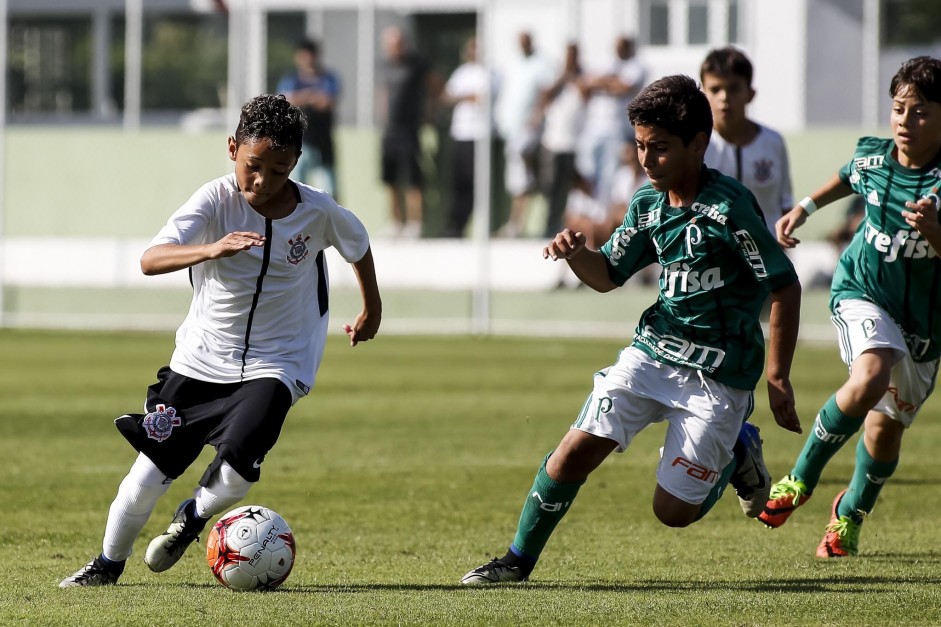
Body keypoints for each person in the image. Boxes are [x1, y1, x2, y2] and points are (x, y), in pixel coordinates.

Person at [460, 75, 802, 585]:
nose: (645, 160)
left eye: (659, 149)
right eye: (640, 146)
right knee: (573, 450)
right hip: (652, 353)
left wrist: (776, 378)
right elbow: (607, 277)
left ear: (697, 145)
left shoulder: (729, 210)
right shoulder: (647, 204)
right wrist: (577, 257)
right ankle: (516, 561)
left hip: (717, 374)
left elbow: (784, 286)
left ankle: (738, 454)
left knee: (673, 512)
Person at [59, 94, 382, 588]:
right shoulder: (213, 200)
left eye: (279, 170)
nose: (263, 182)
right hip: (200, 361)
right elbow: (151, 259)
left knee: (237, 473)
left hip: (278, 364)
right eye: (254, 166)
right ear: (233, 149)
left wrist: (371, 309)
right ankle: (106, 566)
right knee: (143, 481)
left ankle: (192, 517)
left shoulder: (317, 211)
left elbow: (357, 246)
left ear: (295, 163)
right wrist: (213, 247)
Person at [759, 56, 941, 558]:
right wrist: (803, 209)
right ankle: (800, 477)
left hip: (926, 325)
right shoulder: (875, 159)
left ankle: (850, 514)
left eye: (921, 111)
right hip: (863, 291)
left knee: (884, 434)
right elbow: (845, 176)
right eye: (900, 109)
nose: (906, 121)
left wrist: (934, 234)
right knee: (868, 376)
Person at [700, 47, 793, 232]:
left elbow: (786, 204)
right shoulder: (697, 147)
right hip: (713, 256)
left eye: (733, 88)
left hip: (766, 255)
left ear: (750, 93)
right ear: (703, 95)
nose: (724, 98)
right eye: (715, 89)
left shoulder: (773, 142)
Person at [494, 31, 554, 238]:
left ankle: (517, 223)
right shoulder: (514, 64)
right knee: (517, 177)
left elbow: (546, 92)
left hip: (529, 130)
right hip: (511, 130)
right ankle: (516, 223)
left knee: (523, 173)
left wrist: (536, 117)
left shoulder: (542, 63)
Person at [577, 36, 646, 210]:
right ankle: (588, 209)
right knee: (585, 168)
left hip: (617, 127)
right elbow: (584, 85)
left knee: (609, 172)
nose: (619, 49)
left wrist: (601, 81)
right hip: (593, 125)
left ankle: (603, 213)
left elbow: (623, 88)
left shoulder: (637, 66)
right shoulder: (606, 62)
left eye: (623, 46)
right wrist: (608, 80)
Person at [379, 26, 431, 238]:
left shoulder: (417, 65)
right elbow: (382, 94)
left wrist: (429, 113)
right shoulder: (384, 66)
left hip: (409, 131)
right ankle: (396, 222)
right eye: (391, 44)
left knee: (412, 179)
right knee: (390, 179)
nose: (395, 48)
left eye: (398, 43)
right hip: (389, 131)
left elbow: (433, 87)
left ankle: (415, 223)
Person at [440, 36, 493, 238]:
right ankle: (455, 227)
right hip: (460, 134)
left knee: (475, 184)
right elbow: (447, 97)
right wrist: (465, 97)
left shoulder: (487, 73)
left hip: (477, 136)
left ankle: (474, 226)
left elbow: (480, 98)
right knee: (458, 183)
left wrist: (462, 97)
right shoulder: (461, 72)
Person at [277, 39, 341, 200]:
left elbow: (327, 101)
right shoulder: (291, 79)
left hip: (324, 141)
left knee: (330, 190)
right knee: (295, 189)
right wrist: (309, 96)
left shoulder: (328, 78)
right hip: (299, 141)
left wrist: (303, 98)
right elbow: (286, 100)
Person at [539, 42, 588, 238]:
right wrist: (563, 77)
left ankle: (568, 225)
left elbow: (586, 93)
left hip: (573, 144)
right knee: (551, 188)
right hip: (553, 143)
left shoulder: (583, 77)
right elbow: (545, 95)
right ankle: (550, 226)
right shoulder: (556, 77)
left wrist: (574, 77)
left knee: (570, 188)